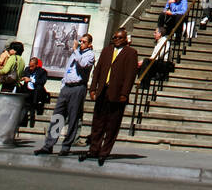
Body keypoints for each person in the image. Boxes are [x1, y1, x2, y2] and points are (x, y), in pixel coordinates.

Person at [79, 28, 138, 166]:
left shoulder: (131, 53)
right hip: (103, 91)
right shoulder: (107, 51)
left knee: (112, 124)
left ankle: (104, 152)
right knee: (98, 122)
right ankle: (94, 149)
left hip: (117, 94)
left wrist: (125, 93)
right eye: (114, 37)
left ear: (125, 40)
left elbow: (130, 75)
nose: (116, 40)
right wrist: (93, 88)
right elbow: (98, 70)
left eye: (119, 38)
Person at [35, 33, 95, 156]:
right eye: (80, 41)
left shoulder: (90, 55)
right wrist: (63, 84)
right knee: (58, 116)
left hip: (78, 87)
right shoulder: (75, 53)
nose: (81, 43)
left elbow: (83, 64)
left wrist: (75, 50)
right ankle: (49, 145)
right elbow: (68, 68)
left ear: (89, 44)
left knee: (73, 118)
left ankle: (66, 146)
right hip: (67, 87)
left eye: (84, 42)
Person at [20, 57, 48, 129]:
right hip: (27, 91)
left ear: (36, 65)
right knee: (24, 108)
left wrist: (31, 80)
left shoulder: (42, 72)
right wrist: (23, 78)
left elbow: (42, 82)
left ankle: (32, 125)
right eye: (30, 66)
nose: (30, 68)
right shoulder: (27, 69)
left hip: (35, 92)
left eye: (32, 66)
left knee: (32, 109)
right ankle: (23, 124)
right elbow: (23, 75)